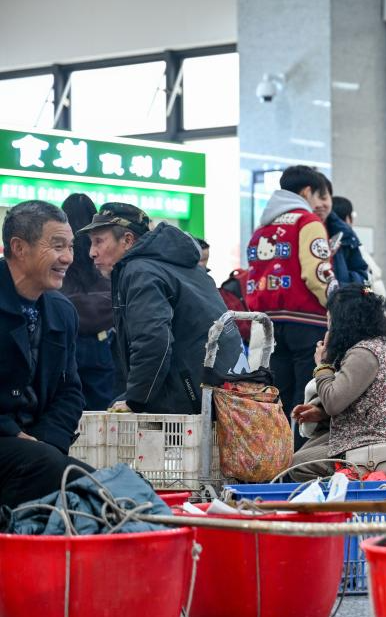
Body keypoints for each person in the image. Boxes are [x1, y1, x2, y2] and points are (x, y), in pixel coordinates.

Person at [82, 202, 245, 414]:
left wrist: (136, 400)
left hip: (194, 397)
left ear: (127, 240)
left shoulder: (140, 271)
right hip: (221, 388)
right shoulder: (172, 262)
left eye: (99, 241)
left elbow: (152, 341)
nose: (92, 252)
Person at [288, 285, 386, 481]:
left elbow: (333, 403)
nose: (328, 329)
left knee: (298, 464)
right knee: (311, 447)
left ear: (343, 323)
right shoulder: (380, 344)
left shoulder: (364, 353)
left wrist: (323, 364)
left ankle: (343, 501)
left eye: (330, 321)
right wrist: (321, 414)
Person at [1, 201, 91, 508]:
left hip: (38, 451)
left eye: (71, 246)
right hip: (11, 443)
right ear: (19, 247)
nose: (68, 257)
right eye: (57, 246)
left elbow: (70, 391)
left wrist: (47, 440)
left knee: (109, 487)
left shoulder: (62, 311)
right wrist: (13, 433)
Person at [245, 165, 334, 437]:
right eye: (318, 195)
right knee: (305, 397)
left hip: (267, 323)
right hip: (305, 320)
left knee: (276, 398)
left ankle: (276, 455)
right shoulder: (307, 222)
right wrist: (334, 304)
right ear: (307, 191)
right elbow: (316, 273)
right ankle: (297, 455)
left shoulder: (262, 227)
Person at [60, 194, 117, 411]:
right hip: (99, 341)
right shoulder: (100, 251)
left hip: (65, 340)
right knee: (100, 408)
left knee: (63, 403)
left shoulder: (62, 251)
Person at [322, 189, 369, 287]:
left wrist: (365, 292)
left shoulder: (351, 241)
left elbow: (366, 282)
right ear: (348, 218)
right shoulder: (351, 241)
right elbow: (369, 281)